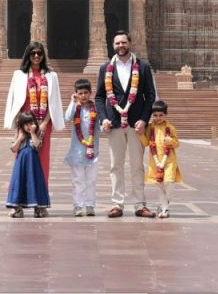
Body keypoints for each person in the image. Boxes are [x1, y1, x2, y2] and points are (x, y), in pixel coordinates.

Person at [96, 30, 158, 218]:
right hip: (114, 123)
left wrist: (144, 119)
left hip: (136, 123)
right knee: (116, 165)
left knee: (137, 165)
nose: (120, 46)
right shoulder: (106, 68)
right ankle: (117, 204)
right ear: (112, 45)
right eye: (117, 43)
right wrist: (103, 118)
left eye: (123, 42)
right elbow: (99, 97)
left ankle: (140, 204)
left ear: (130, 43)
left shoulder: (143, 67)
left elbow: (150, 96)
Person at [4, 41, 65, 187]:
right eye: (33, 53)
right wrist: (19, 124)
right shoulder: (19, 75)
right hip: (25, 122)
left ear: (43, 55)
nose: (36, 56)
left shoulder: (52, 76)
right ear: (28, 55)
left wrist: (44, 123)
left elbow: (54, 102)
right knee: (22, 156)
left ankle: (41, 196)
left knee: (42, 158)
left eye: (39, 53)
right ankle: (20, 195)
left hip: (44, 122)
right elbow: (13, 99)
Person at [63, 78, 100, 217]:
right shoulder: (75, 108)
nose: (83, 96)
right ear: (76, 94)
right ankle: (78, 205)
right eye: (80, 93)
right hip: (77, 152)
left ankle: (90, 205)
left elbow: (100, 127)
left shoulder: (95, 109)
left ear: (90, 93)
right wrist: (73, 102)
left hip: (92, 151)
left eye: (86, 93)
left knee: (91, 181)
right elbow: (67, 117)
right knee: (78, 180)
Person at [140, 100, 182, 219]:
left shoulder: (170, 128)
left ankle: (165, 204)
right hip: (155, 162)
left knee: (169, 183)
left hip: (169, 161)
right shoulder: (150, 128)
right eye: (155, 115)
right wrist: (141, 134)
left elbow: (177, 144)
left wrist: (171, 141)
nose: (158, 118)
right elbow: (146, 143)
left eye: (161, 115)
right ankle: (164, 207)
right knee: (159, 185)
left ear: (166, 114)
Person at [6, 112, 51, 218]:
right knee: (19, 183)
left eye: (31, 123)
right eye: (26, 124)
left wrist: (33, 133)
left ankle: (38, 209)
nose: (29, 126)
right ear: (22, 125)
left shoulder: (38, 132)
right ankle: (17, 209)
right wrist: (19, 138)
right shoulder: (19, 133)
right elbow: (13, 148)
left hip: (33, 165)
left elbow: (37, 145)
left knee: (34, 183)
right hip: (21, 164)